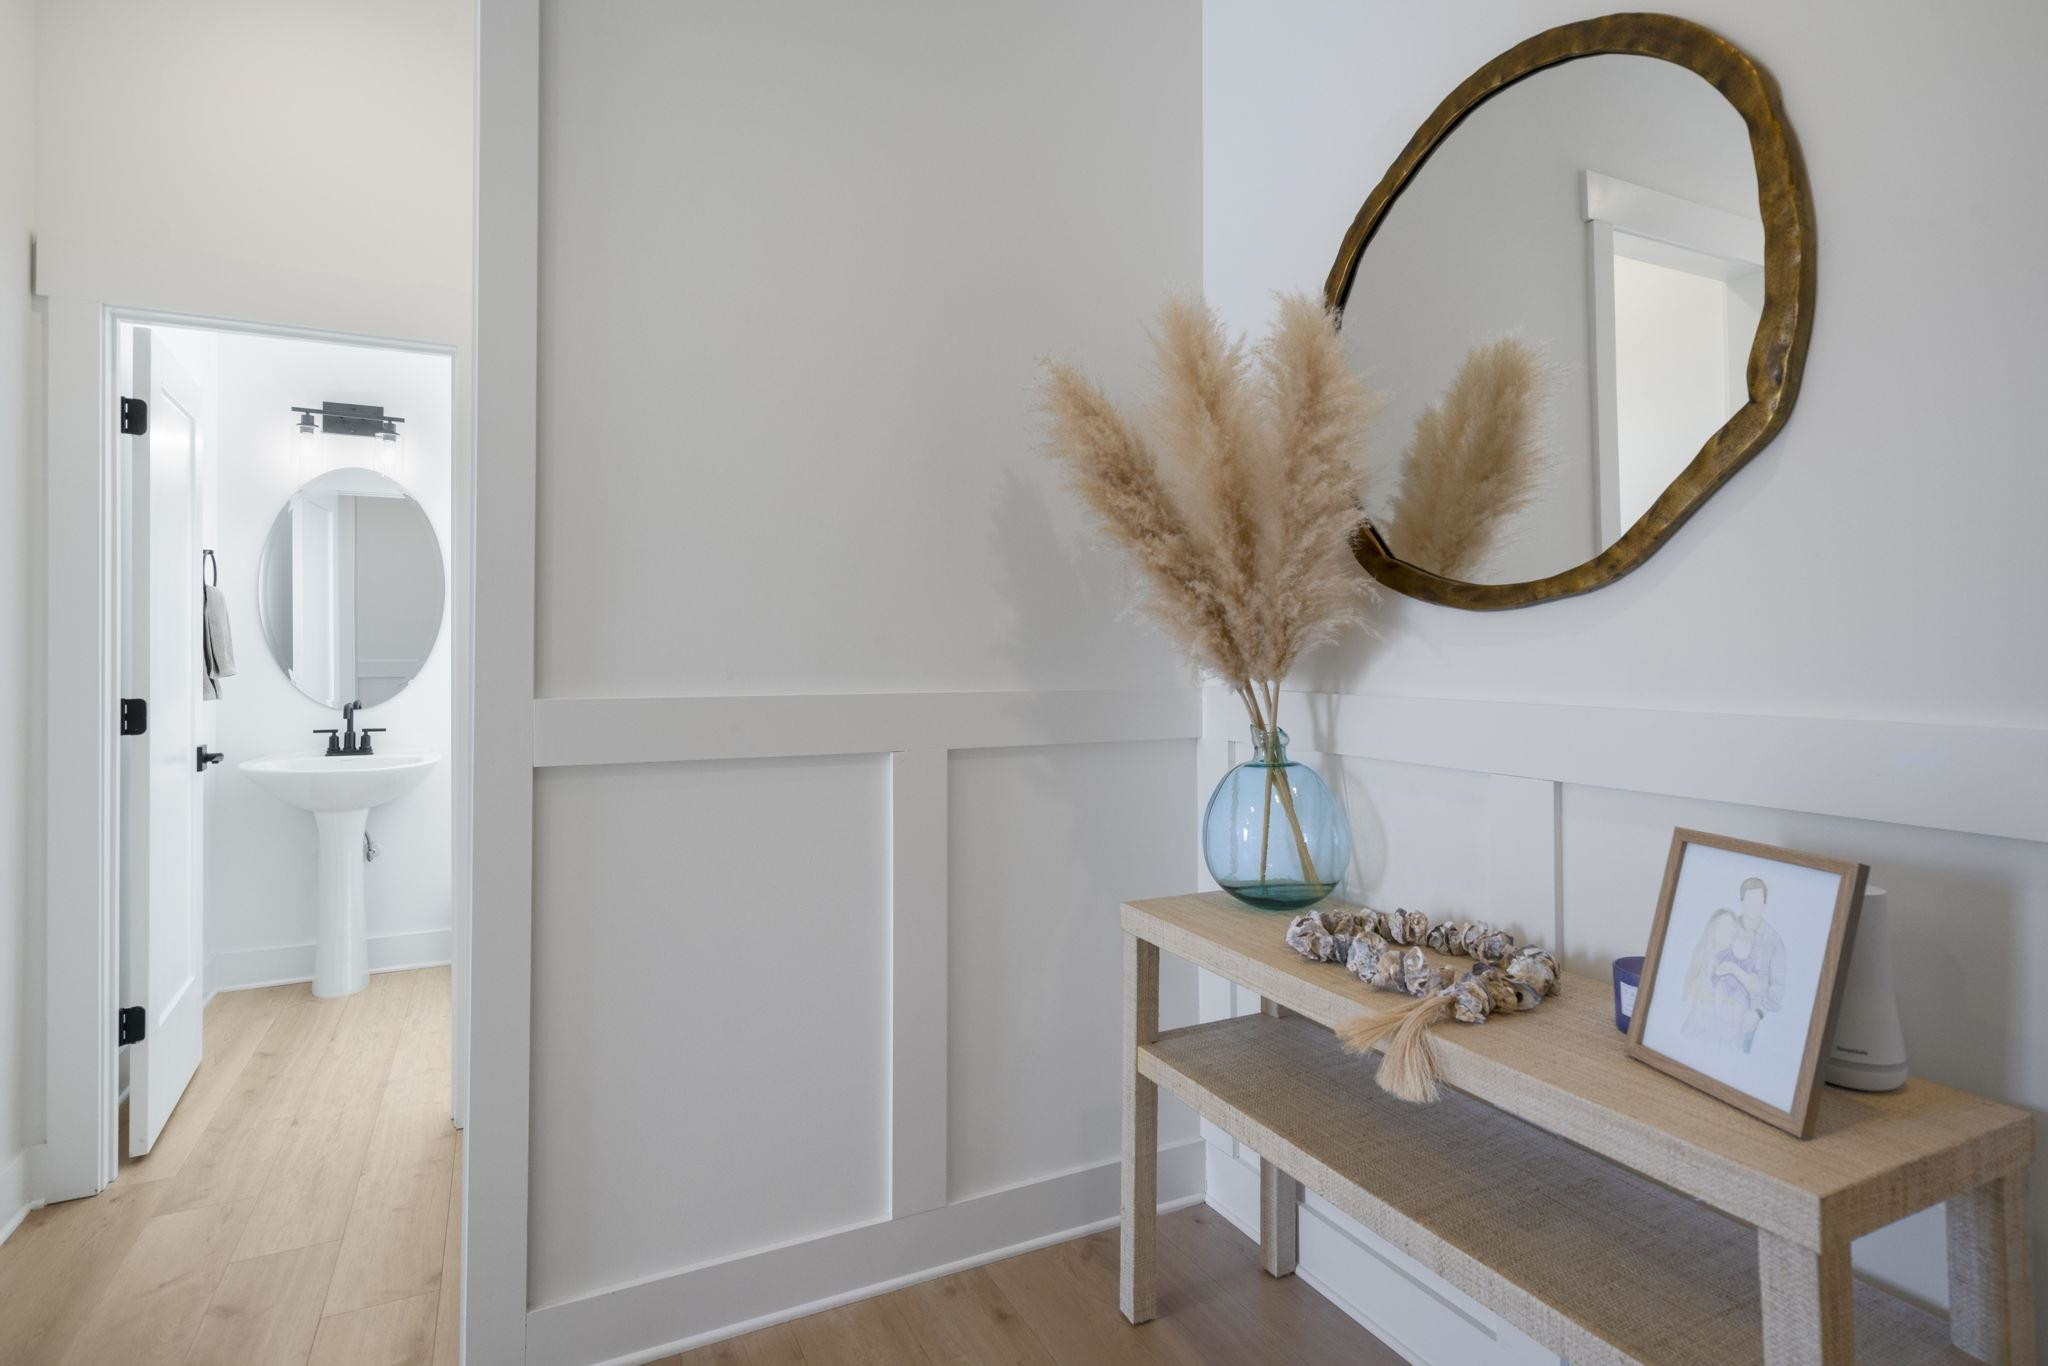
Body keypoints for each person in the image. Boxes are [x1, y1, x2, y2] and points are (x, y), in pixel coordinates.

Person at [1680, 877, 1787, 1053]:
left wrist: (1758, 1015)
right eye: (1749, 900)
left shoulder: (1774, 942)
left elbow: (1778, 988)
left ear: (1765, 904)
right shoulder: (1728, 924)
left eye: (1758, 901)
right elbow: (1706, 956)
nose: (1753, 906)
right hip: (1712, 1008)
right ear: (1742, 902)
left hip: (1749, 1017)